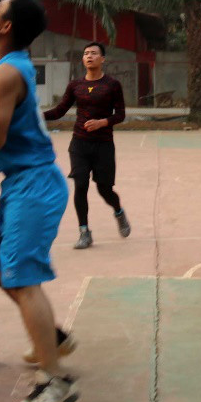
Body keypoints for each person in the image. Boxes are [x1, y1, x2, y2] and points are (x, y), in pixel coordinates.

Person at [0, 0, 80, 402]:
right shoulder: (10, 58)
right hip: (23, 181)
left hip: (33, 183)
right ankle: (51, 338)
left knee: (21, 275)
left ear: (5, 27)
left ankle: (54, 382)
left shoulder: (3, 75)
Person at [44, 41, 130, 250]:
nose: (89, 56)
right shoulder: (75, 85)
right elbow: (60, 110)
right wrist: (37, 116)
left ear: (103, 59)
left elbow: (120, 115)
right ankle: (84, 232)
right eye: (85, 53)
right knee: (80, 184)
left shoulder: (112, 85)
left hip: (103, 145)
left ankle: (118, 212)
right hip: (79, 144)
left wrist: (102, 122)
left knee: (104, 190)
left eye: (93, 53)